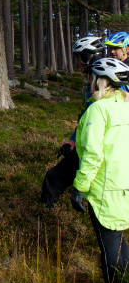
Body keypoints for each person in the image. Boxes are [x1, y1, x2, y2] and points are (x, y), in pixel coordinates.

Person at [70, 57, 129, 283]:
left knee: (109, 247)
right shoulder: (125, 105)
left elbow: (93, 154)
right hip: (123, 185)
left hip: (106, 189)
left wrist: (79, 188)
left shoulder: (98, 110)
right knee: (117, 239)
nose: (89, 82)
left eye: (92, 78)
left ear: (102, 81)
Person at [41, 36, 106, 207]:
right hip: (87, 143)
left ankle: (42, 215)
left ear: (87, 56)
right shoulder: (94, 78)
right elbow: (86, 116)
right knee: (55, 178)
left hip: (94, 147)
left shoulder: (102, 81)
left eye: (79, 57)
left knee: (54, 178)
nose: (77, 62)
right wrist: (73, 139)